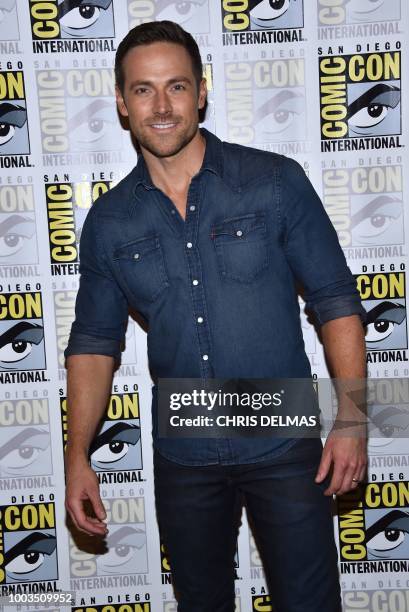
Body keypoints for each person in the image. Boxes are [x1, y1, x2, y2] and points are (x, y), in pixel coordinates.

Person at [64, 20, 367, 612]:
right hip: (186, 451)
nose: (162, 106)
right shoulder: (109, 222)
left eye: (176, 87)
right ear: (122, 104)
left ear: (201, 92)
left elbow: (336, 302)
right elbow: (94, 344)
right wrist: (77, 454)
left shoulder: (273, 182)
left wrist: (353, 420)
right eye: (144, 90)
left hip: (284, 442)